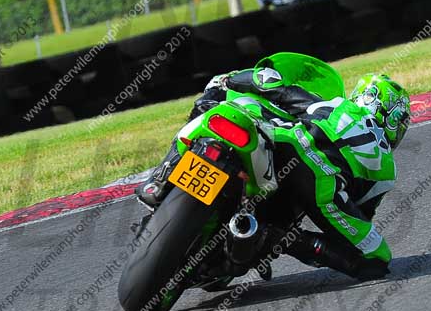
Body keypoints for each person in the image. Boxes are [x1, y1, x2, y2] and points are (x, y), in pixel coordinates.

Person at [135, 52, 411, 281]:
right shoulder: (387, 167)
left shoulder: (332, 105)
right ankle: (275, 237)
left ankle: (161, 177)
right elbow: (360, 214)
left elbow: (273, 86)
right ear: (393, 120)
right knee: (377, 258)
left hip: (283, 144)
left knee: (210, 109)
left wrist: (228, 80)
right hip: (319, 184)